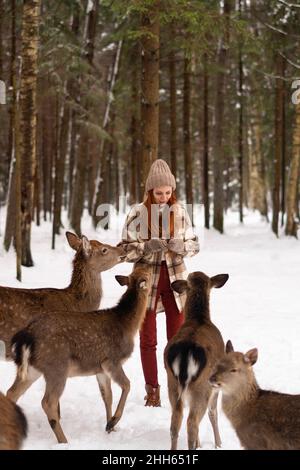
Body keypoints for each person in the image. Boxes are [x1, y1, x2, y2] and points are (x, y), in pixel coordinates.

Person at [119, 159, 199, 406]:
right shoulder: (137, 213)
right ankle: (152, 390)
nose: (164, 197)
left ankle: (176, 388)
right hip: (146, 284)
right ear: (150, 192)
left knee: (176, 340)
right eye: (158, 192)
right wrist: (145, 247)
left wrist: (180, 246)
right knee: (148, 340)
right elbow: (124, 251)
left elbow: (194, 245)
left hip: (175, 284)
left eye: (167, 192)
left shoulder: (180, 212)